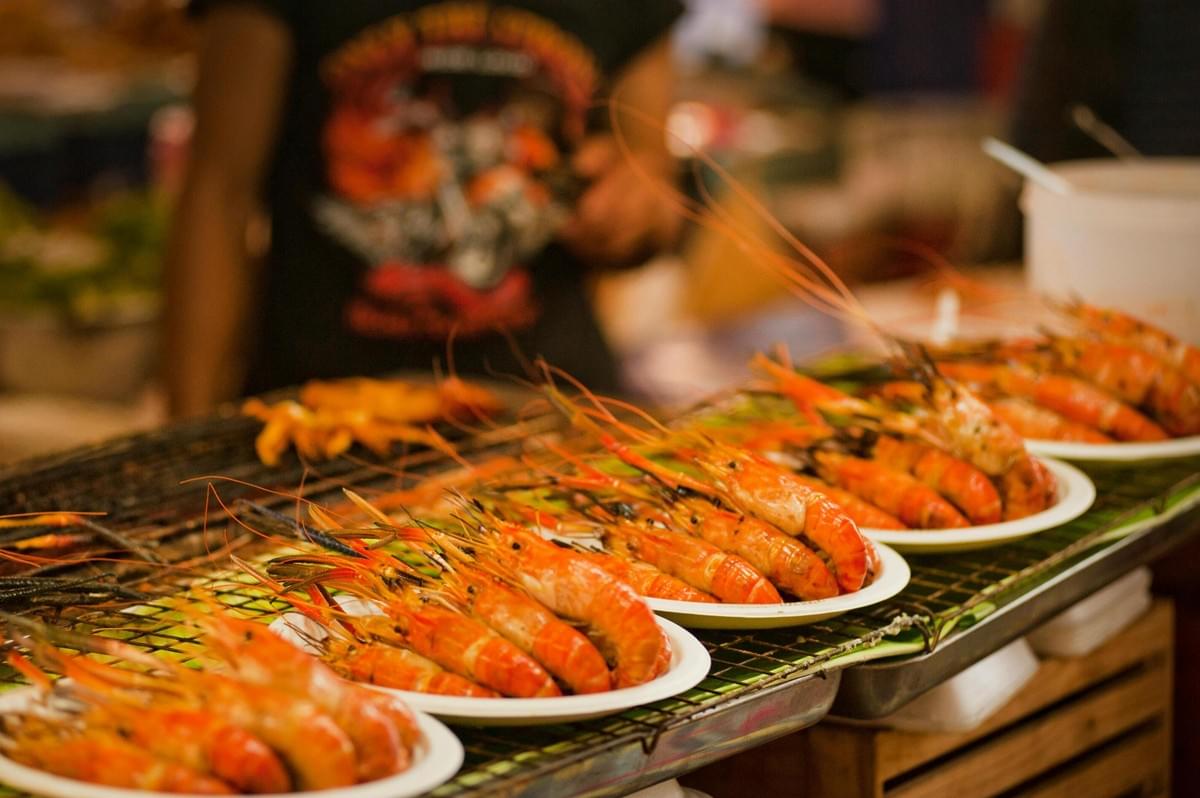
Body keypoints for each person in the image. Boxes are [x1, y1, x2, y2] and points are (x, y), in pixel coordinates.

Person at [165, 0, 684, 417]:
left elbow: (655, 180)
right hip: (322, 408)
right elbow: (218, 195)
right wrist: (187, 429)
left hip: (548, 404)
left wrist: (632, 211)